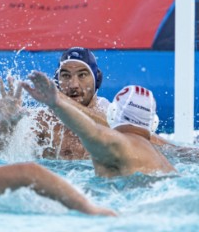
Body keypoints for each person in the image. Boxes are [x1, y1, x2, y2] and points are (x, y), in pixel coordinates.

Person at [21, 71, 177, 177]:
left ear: (112, 113)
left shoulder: (118, 144)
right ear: (153, 122)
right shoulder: (164, 161)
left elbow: (92, 131)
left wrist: (56, 104)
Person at [0, 47, 110, 160]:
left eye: (82, 75)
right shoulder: (46, 121)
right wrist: (6, 123)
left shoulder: (110, 112)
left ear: (96, 79)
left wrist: (61, 100)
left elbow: (109, 127)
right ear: (57, 80)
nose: (73, 85)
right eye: (66, 76)